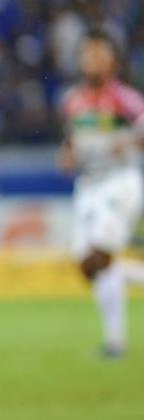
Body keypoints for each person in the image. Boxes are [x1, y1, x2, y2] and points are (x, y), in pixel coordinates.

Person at [57, 29, 144, 358]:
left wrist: (131, 140)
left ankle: (114, 342)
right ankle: (115, 343)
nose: (91, 60)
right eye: (86, 53)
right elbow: (72, 140)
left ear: (113, 61)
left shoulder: (125, 98)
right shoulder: (72, 101)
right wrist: (66, 154)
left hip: (119, 182)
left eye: (98, 54)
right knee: (89, 267)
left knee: (99, 258)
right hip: (89, 185)